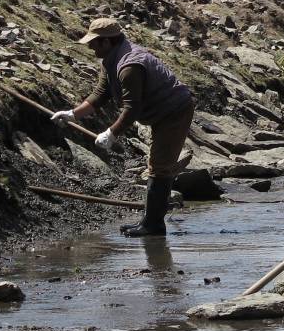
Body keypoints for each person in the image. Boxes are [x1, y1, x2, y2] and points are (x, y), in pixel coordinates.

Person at [50, 17, 195, 237]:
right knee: (156, 165)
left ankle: (153, 225)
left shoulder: (129, 66)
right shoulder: (111, 60)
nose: (89, 47)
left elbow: (132, 109)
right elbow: (100, 95)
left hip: (174, 111)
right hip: (158, 112)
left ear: (107, 42)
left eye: (93, 42)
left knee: (159, 167)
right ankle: (149, 221)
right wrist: (72, 114)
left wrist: (111, 134)